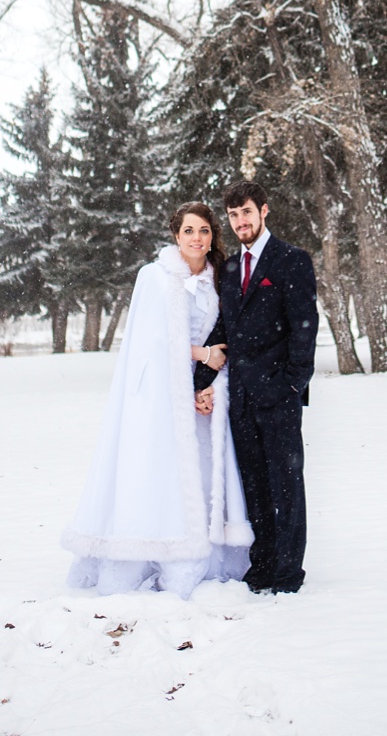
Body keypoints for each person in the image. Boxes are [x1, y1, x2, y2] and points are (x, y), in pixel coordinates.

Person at [62, 203, 253, 598]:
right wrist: (201, 356)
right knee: (161, 471)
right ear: (175, 235)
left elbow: (227, 335)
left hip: (206, 395)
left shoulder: (221, 279)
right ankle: (155, 549)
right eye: (188, 231)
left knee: (204, 471)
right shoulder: (155, 277)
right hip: (161, 398)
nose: (197, 238)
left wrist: (208, 384)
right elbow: (152, 343)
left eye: (204, 230)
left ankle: (207, 555)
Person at [193, 178, 317, 594]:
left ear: (264, 211)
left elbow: (304, 332)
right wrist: (200, 381)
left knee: (286, 485)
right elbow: (225, 327)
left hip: (278, 396)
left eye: (246, 211)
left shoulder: (292, 260)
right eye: (233, 215)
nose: (240, 221)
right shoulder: (228, 269)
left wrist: (290, 386)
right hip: (242, 398)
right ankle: (262, 564)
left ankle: (287, 572)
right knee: (255, 487)